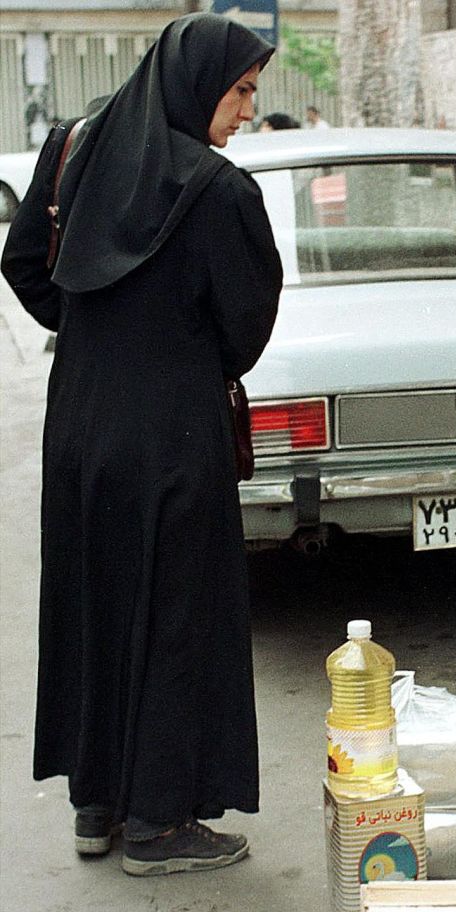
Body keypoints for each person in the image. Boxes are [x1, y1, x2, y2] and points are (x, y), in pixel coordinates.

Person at [1, 13, 283, 876]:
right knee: (174, 616)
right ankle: (159, 824)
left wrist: (96, 328)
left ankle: (99, 806)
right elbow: (245, 326)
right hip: (172, 436)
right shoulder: (220, 192)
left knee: (96, 601)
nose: (243, 111)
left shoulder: (74, 148)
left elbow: (24, 266)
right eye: (239, 91)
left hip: (82, 424)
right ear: (199, 84)